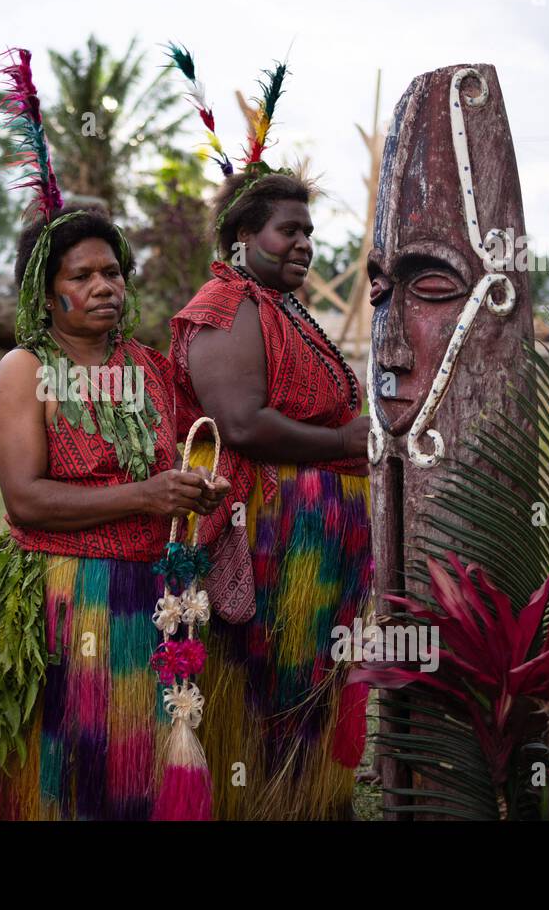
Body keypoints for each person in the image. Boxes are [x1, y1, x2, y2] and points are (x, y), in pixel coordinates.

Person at [0, 50, 227, 820]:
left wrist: (193, 490)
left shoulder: (149, 368)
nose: (105, 285)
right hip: (64, 600)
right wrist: (146, 494)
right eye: (82, 276)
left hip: (149, 599)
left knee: (133, 774)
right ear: (48, 297)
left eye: (112, 271)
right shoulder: (25, 370)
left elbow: (186, 461)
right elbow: (26, 501)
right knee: (62, 773)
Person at [163, 53, 371, 819]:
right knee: (274, 693)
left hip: (319, 545)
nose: (305, 243)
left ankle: (315, 800)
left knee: (314, 689)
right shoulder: (226, 306)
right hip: (275, 541)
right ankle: (275, 803)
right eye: (289, 230)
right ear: (243, 233)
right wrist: (354, 440)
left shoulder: (279, 306)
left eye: (311, 230)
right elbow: (244, 425)